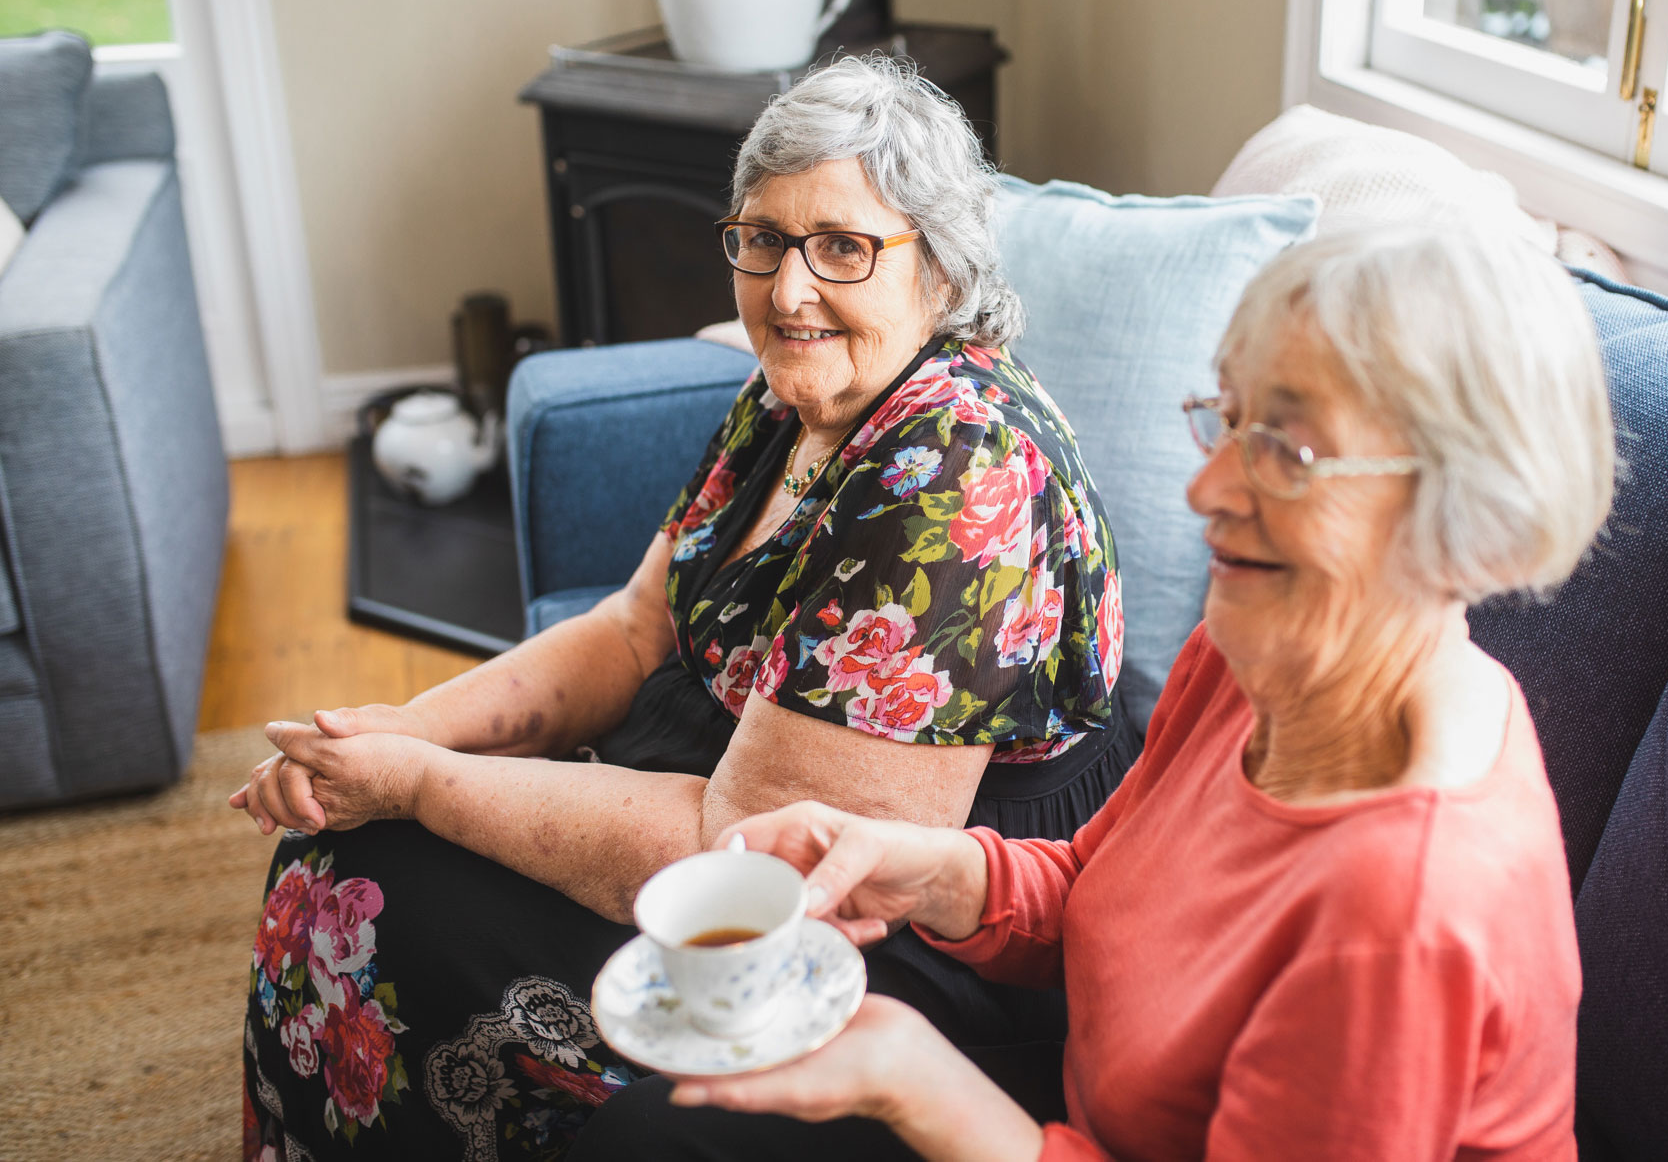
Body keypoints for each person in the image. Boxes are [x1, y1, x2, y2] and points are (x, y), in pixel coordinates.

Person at [234, 57, 1136, 1161]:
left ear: (939, 274)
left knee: (374, 891)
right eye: (762, 238)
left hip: (881, 908)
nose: (789, 289)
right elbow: (627, 630)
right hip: (721, 782)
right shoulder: (792, 391)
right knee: (337, 854)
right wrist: (388, 734)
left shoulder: (955, 469)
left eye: (843, 247)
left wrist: (423, 782)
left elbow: (746, 858)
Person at [569, 224, 1617, 1161]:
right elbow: (1098, 885)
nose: (1204, 490)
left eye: (1286, 449)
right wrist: (915, 868)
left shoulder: (1399, 912)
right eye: (1229, 419)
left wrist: (915, 1083)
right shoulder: (1261, 653)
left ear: (1461, 507)